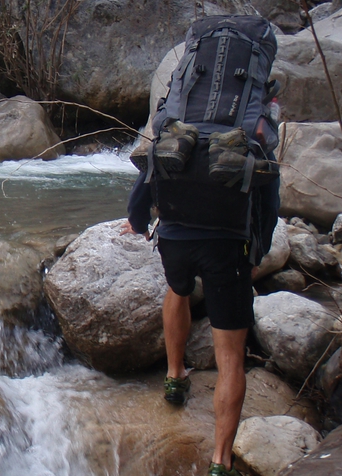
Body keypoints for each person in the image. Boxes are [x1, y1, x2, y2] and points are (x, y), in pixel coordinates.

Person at [120, 147, 279, 476]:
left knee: (178, 289)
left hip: (175, 239)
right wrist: (257, 252)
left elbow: (149, 171)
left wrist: (137, 220)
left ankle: (174, 377)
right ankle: (221, 462)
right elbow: (268, 198)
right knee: (231, 353)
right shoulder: (253, 123)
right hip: (227, 245)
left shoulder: (179, 111)